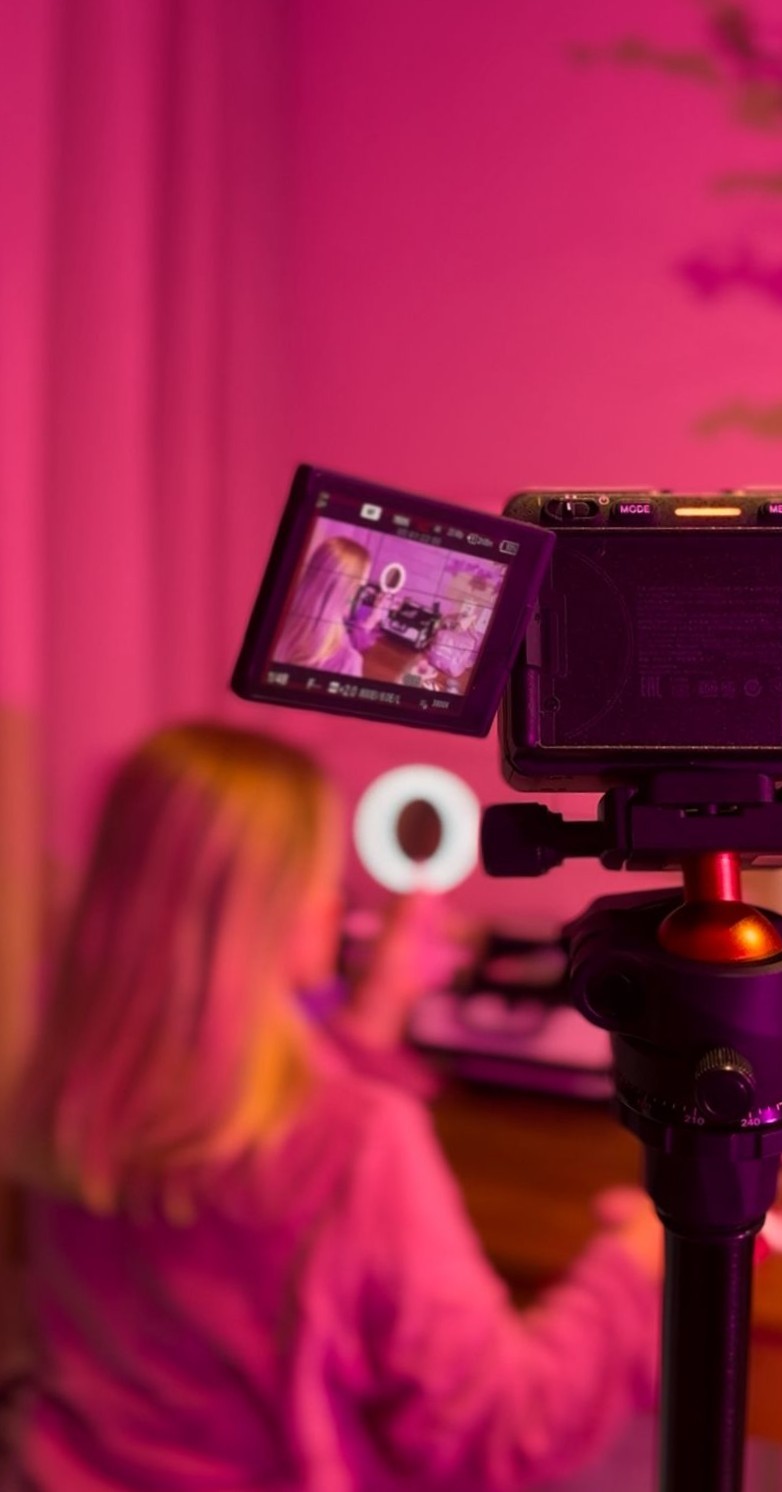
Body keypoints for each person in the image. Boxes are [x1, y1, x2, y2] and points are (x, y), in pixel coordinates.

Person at [0, 721, 662, 1492]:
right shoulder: (357, 1142)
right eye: (318, 873)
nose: (330, 899)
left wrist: (374, 1015)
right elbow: (503, 1426)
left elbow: (255, 1133)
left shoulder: (68, 1093)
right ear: (266, 913)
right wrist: (638, 1259)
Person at [274, 535, 374, 676]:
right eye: (361, 587)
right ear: (348, 592)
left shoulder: (274, 622)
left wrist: (367, 625)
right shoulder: (348, 663)